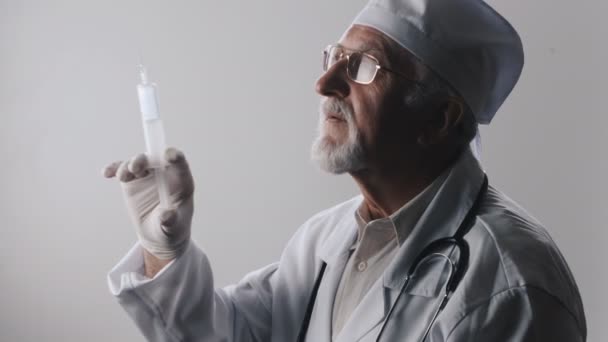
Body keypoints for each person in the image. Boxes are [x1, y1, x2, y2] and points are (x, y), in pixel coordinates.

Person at [103, 0, 587, 341]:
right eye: (335, 58)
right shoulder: (326, 240)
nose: (324, 83)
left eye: (365, 66)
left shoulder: (513, 289)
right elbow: (234, 334)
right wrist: (163, 251)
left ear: (439, 119)